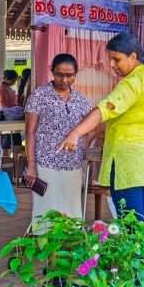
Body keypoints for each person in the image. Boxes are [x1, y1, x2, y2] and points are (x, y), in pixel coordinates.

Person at [61, 32, 144, 269]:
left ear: (133, 56)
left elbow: (104, 109)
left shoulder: (133, 83)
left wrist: (75, 133)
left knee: (134, 225)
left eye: (117, 60)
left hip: (129, 166)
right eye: (110, 60)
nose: (112, 66)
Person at [24, 54, 92, 228]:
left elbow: (92, 126)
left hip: (73, 165)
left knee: (72, 214)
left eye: (70, 75)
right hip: (45, 164)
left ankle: (69, 253)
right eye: (59, 74)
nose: (65, 79)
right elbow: (30, 132)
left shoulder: (82, 100)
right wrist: (31, 165)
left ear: (76, 74)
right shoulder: (39, 95)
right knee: (45, 213)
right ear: (52, 72)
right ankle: (48, 253)